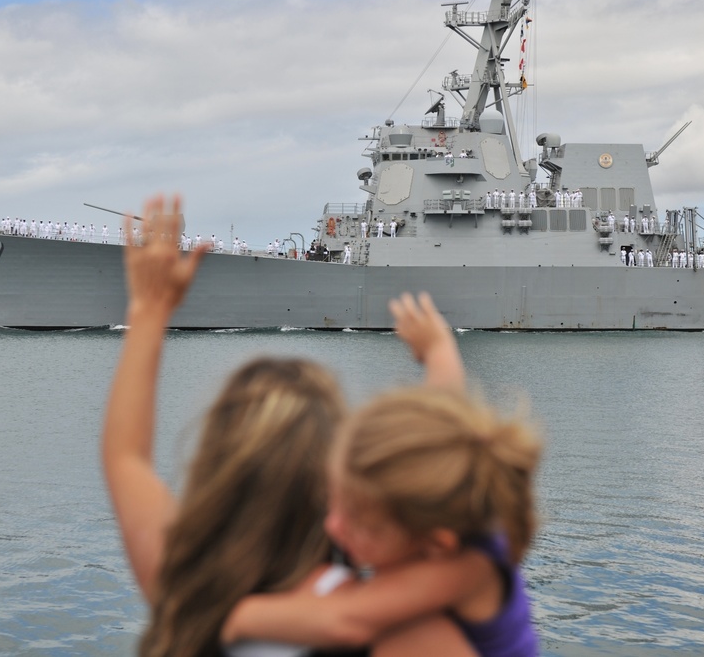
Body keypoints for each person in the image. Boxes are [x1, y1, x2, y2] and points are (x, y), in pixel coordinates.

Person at [103, 196, 472, 657]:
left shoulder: (183, 593)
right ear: (338, 485)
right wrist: (440, 357)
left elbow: (125, 457)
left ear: (216, 468)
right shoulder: (402, 634)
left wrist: (149, 310)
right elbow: (443, 475)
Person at [223, 293, 543, 657]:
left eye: (363, 524)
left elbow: (347, 620)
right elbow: (442, 415)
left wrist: (233, 617)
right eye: (335, 503)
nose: (333, 527)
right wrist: (437, 349)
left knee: (403, 637)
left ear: (436, 543)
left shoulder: (465, 569)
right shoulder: (449, 494)